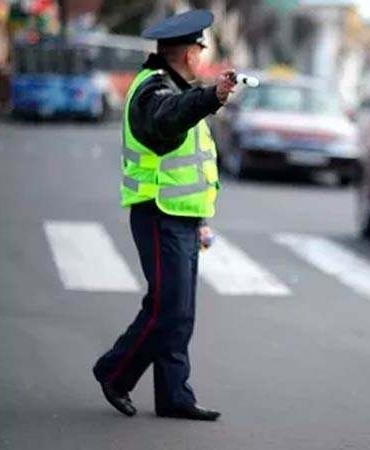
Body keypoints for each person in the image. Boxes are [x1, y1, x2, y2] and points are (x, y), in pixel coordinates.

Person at [92, 9, 238, 421]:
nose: (201, 56)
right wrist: (211, 96)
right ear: (188, 53)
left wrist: (201, 219)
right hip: (158, 213)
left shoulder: (174, 87)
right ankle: (114, 373)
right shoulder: (152, 91)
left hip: (182, 215)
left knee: (179, 312)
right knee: (167, 309)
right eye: (199, 48)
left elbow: (193, 162)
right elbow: (167, 120)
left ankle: (175, 395)